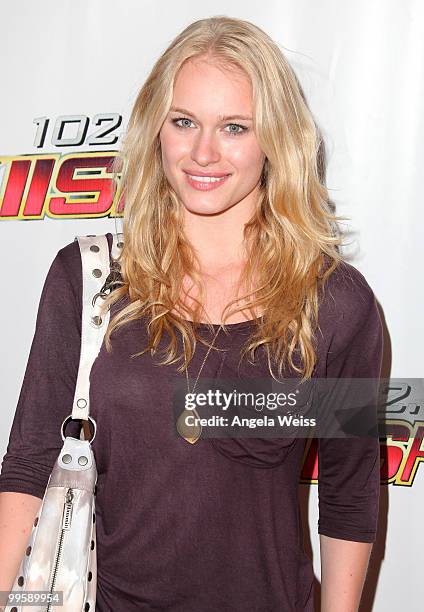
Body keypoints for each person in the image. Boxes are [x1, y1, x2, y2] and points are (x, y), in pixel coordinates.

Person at [0, 15, 383, 612]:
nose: (204, 152)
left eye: (235, 127)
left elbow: (348, 496)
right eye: (184, 122)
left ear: (276, 139)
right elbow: (28, 462)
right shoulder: (89, 279)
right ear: (158, 129)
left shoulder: (337, 303)